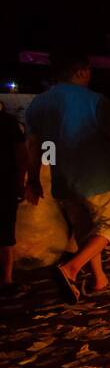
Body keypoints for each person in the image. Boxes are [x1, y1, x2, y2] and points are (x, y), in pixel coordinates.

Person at [24, 51, 110, 303]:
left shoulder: (38, 104)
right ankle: (70, 269)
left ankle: (99, 279)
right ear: (81, 72)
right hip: (97, 176)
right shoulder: (94, 100)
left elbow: (33, 146)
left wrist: (33, 179)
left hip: (63, 179)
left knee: (87, 230)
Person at [0, 102, 27, 293]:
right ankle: (6, 279)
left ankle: (6, 279)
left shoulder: (9, 123)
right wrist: (21, 181)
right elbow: (21, 154)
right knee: (5, 231)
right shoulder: (9, 122)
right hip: (4, 184)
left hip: (5, 184)